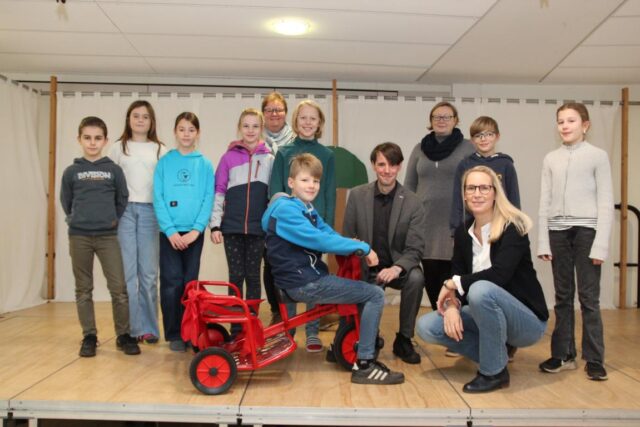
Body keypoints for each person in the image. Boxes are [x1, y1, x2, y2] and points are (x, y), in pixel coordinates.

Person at [262, 153, 404, 385]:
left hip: (307, 277)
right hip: (304, 283)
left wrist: (353, 246)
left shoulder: (305, 207)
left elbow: (327, 232)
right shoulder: (287, 212)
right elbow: (320, 241)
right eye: (305, 180)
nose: (312, 185)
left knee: (362, 291)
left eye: (316, 181)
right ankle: (365, 364)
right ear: (291, 183)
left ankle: (340, 345)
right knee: (375, 294)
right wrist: (364, 248)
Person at [416, 166, 548, 393]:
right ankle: (498, 353)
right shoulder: (462, 232)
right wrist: (451, 306)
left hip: (526, 321)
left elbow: (499, 275)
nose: (477, 194)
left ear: (495, 192)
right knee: (427, 327)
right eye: (471, 188)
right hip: (484, 311)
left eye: (484, 188)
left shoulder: (512, 226)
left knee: (480, 290)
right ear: (464, 194)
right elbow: (457, 277)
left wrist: (452, 284)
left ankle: (493, 372)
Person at [537, 102, 614, 381]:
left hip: (587, 232)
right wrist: (543, 242)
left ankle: (594, 358)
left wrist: (601, 245)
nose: (565, 126)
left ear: (585, 125)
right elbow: (544, 202)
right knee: (562, 297)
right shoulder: (551, 159)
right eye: (561, 121)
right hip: (558, 233)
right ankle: (563, 354)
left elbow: (605, 202)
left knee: (589, 298)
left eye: (571, 121)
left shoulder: (598, 156)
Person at [60, 116, 141, 357]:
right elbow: (66, 201)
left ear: (105, 141)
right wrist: (77, 219)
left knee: (119, 288)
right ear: (79, 140)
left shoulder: (113, 170)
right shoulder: (71, 172)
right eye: (87, 138)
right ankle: (89, 336)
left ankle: (124, 335)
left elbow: (122, 198)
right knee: (83, 289)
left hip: (108, 237)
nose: (92, 143)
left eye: (97, 138)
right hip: (79, 237)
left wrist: (112, 219)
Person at [342, 142, 426, 364]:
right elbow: (347, 237)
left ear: (399, 167)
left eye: (392, 165)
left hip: (397, 267)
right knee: (361, 285)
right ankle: (372, 336)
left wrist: (397, 268)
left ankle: (404, 339)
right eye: (381, 164)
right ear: (373, 165)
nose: (386, 170)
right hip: (365, 268)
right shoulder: (358, 196)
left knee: (416, 277)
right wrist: (363, 252)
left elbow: (415, 248)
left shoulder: (413, 202)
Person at [268, 99, 336, 352]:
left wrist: (323, 229)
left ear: (319, 124)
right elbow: (276, 193)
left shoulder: (328, 155)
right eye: (303, 118)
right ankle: (288, 332)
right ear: (295, 121)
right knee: (289, 279)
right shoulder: (284, 153)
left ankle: (312, 331)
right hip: (288, 228)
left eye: (313, 119)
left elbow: (328, 194)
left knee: (315, 276)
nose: (308, 123)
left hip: (314, 230)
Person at [153, 112, 215, 352]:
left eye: (191, 129)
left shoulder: (204, 164)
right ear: (175, 132)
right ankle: (174, 334)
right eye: (182, 129)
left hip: (193, 235)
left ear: (197, 133)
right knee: (171, 284)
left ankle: (191, 332)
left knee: (190, 285)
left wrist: (197, 230)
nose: (186, 134)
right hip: (169, 235)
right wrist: (169, 231)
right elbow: (158, 197)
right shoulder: (165, 162)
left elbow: (208, 198)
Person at [405, 101, 474, 313]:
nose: (441, 120)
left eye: (447, 117)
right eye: (437, 117)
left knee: (457, 278)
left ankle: (464, 326)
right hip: (425, 225)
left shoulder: (468, 147)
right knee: (432, 277)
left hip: (458, 224)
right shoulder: (419, 149)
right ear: (430, 121)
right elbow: (409, 186)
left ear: (456, 120)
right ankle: (443, 321)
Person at [209, 108, 274, 329]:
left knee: (253, 277)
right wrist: (215, 224)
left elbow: (273, 197)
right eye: (246, 126)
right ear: (239, 128)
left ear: (261, 129)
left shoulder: (269, 159)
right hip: (232, 229)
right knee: (236, 277)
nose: (250, 130)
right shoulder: (228, 157)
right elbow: (218, 191)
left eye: (255, 126)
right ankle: (236, 326)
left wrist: (271, 227)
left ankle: (251, 325)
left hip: (258, 230)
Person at [110, 100, 167, 344]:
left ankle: (149, 328)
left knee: (148, 274)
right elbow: (109, 183)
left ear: (152, 121)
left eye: (145, 116)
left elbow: (165, 185)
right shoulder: (117, 148)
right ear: (128, 119)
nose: (140, 120)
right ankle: (131, 329)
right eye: (136, 115)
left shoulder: (160, 150)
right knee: (128, 275)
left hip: (149, 213)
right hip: (124, 213)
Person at [450, 116, 520, 231]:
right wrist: (455, 230)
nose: (484, 139)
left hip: (501, 225)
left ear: (497, 136)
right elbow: (458, 201)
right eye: (478, 135)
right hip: (471, 226)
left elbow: (514, 200)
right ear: (472, 140)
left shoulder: (506, 164)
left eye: (489, 134)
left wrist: (516, 227)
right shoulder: (465, 165)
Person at [261, 92, 295, 325]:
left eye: (279, 109)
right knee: (270, 260)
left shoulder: (295, 141)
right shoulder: (254, 138)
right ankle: (275, 308)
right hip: (264, 208)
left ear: (285, 113)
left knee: (290, 259)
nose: (274, 114)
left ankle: (290, 310)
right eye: (269, 109)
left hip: (290, 208)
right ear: (263, 114)